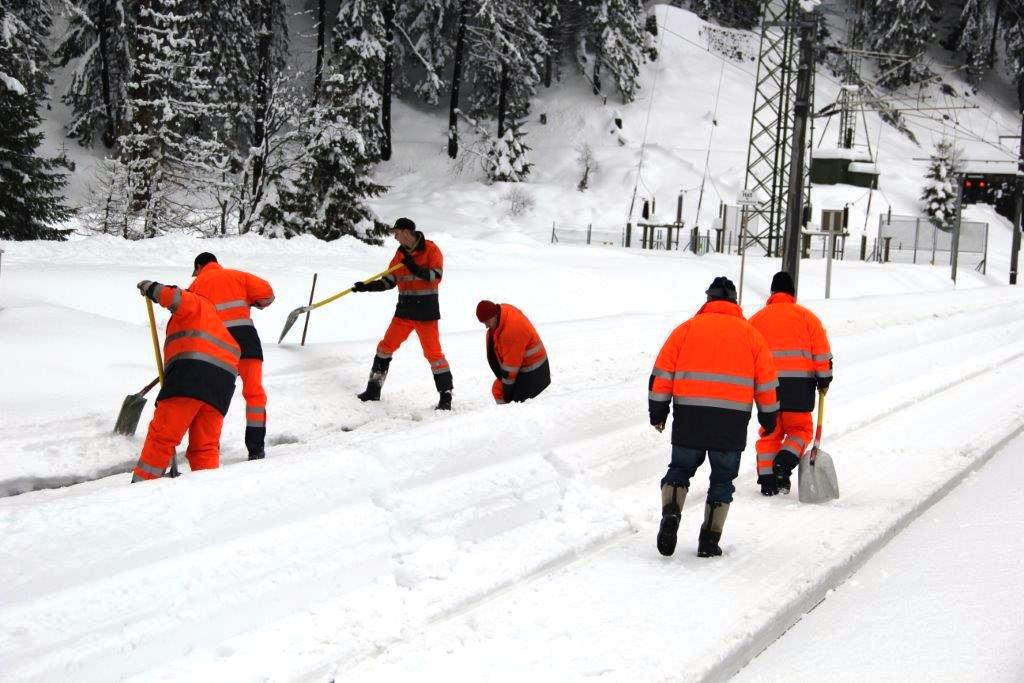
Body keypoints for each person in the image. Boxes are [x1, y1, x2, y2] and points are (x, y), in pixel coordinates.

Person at [649, 276, 779, 558]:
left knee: (680, 469)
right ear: (734, 301)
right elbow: (767, 382)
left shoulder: (685, 330)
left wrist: (658, 411)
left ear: (708, 300)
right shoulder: (752, 335)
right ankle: (709, 540)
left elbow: (662, 373)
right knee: (722, 480)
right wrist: (769, 417)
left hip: (690, 417)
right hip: (730, 422)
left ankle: (671, 513)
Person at [131, 279, 240, 481]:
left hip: (190, 376)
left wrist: (151, 288)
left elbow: (171, 296)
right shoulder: (217, 325)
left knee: (162, 437)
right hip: (221, 386)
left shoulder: (197, 302)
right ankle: (207, 491)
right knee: (205, 446)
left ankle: (141, 488)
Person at [352, 217, 453, 410]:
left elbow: (435, 277)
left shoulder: (431, 249)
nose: (396, 237)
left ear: (406, 231)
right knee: (384, 348)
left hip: (425, 313)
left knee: (434, 355)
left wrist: (414, 266)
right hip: (404, 312)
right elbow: (389, 281)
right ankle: (373, 390)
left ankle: (445, 396)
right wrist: (367, 287)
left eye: (397, 233)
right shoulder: (399, 254)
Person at [749, 271, 833, 495]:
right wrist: (824, 377)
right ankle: (784, 464)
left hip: (768, 389)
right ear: (793, 294)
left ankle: (768, 481)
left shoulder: (756, 319)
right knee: (800, 429)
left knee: (770, 431)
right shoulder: (807, 317)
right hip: (799, 388)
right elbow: (821, 352)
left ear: (772, 292)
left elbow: (748, 353)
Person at [189, 252, 275, 460]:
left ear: (200, 267)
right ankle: (256, 449)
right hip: (247, 343)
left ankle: (207, 449)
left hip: (216, 348)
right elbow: (267, 294)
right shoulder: (238, 276)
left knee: (212, 399)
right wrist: (254, 303)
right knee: (254, 395)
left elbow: (185, 315)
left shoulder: (194, 287)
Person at [475, 300, 550, 404]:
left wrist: (508, 393)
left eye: (487, 322)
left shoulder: (511, 332)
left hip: (534, 372)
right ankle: (505, 415)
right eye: (484, 323)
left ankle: (510, 416)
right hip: (524, 367)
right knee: (497, 389)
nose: (486, 326)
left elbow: (511, 368)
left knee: (508, 396)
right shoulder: (504, 311)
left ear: (495, 314)